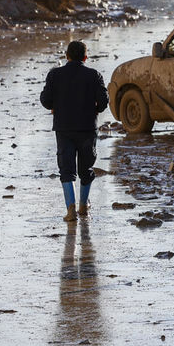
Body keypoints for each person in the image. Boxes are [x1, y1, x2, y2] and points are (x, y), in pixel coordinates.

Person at [40, 40, 109, 222]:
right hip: (87, 128)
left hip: (64, 129)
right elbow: (103, 102)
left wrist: (55, 105)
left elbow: (45, 100)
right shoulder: (94, 75)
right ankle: (83, 206)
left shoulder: (55, 75)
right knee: (86, 168)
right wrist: (94, 108)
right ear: (86, 57)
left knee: (66, 169)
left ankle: (70, 211)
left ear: (66, 56)